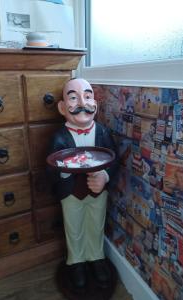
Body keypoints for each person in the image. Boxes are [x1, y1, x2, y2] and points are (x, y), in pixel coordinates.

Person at [47, 78, 117, 291]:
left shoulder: (103, 132)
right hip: (71, 193)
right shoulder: (59, 137)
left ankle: (96, 257)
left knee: (96, 225)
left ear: (95, 104)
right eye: (73, 97)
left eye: (87, 96)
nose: (81, 103)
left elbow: (115, 158)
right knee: (74, 226)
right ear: (62, 107)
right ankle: (76, 261)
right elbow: (51, 166)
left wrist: (105, 176)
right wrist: (64, 175)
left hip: (97, 191)